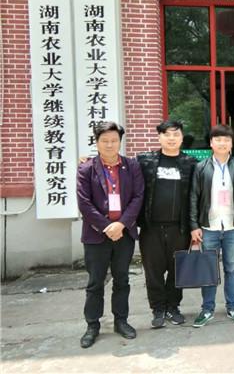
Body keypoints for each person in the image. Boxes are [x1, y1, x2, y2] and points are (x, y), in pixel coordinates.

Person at [76, 122, 144, 348]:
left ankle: (121, 321)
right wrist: (107, 227)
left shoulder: (131, 166)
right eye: (104, 140)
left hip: (124, 235)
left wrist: (121, 225)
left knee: (122, 279)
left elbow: (138, 197)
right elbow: (84, 203)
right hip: (96, 236)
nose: (109, 144)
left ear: (120, 142)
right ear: (96, 142)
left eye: (114, 140)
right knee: (95, 282)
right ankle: (92, 325)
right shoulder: (86, 169)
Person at [136, 120, 197, 328]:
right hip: (151, 227)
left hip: (180, 228)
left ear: (182, 138)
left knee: (177, 269)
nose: (171, 138)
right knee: (152, 271)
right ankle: (158, 308)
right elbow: (121, 167)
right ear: (159, 137)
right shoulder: (145, 161)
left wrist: (195, 226)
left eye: (176, 134)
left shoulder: (190, 163)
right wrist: (88, 160)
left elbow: (196, 196)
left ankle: (173, 306)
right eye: (167, 134)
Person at [189, 124, 234, 326]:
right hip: (208, 228)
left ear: (231, 143)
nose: (222, 143)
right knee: (209, 269)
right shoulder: (201, 167)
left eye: (226, 140)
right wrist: (194, 225)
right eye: (218, 139)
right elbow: (193, 197)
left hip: (233, 227)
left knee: (232, 269)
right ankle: (207, 309)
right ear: (211, 143)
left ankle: (233, 307)